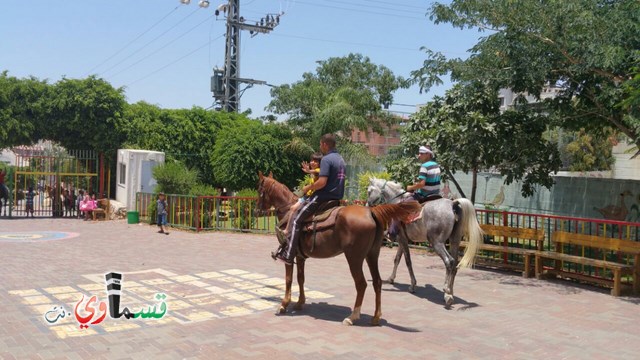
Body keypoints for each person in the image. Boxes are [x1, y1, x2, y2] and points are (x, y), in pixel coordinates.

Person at [273, 134, 346, 265]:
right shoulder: (340, 159)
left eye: (320, 144)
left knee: (295, 218)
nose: (320, 147)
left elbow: (322, 182)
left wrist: (308, 188)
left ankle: (288, 255)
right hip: (337, 197)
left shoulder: (326, 159)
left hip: (322, 197)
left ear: (324, 144)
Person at [284, 152, 323, 235]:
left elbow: (317, 171)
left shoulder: (319, 171)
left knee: (293, 208)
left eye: (316, 161)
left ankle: (287, 230)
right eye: (312, 160)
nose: (312, 162)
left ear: (320, 163)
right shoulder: (312, 173)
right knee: (292, 207)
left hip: (312, 197)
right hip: (307, 196)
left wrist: (309, 171)